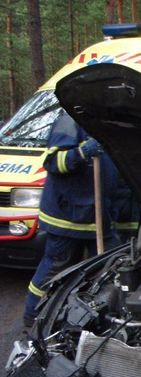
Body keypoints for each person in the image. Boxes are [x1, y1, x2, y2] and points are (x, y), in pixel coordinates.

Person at [24, 112, 121, 327]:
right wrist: (81, 152)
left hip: (98, 217)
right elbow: (53, 162)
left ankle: (93, 320)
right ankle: (32, 318)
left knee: (109, 268)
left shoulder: (106, 122)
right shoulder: (71, 121)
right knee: (55, 269)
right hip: (67, 216)